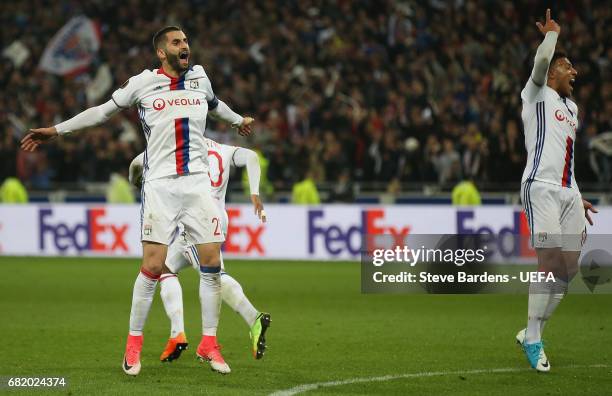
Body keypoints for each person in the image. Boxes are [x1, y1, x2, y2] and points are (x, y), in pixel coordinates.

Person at [20, 26, 254, 375]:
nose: (184, 46)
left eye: (187, 41)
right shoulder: (142, 83)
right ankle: (133, 344)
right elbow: (100, 112)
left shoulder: (201, 79)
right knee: (154, 266)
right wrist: (56, 131)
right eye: (177, 43)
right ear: (162, 53)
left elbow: (216, 106)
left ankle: (209, 343)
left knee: (211, 262)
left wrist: (239, 122)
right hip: (160, 185)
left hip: (198, 184)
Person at [128, 138, 271, 362]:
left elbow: (136, 164)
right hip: (218, 215)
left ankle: (254, 317)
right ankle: (177, 333)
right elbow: (252, 157)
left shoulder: (177, 146)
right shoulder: (224, 150)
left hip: (198, 217)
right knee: (166, 267)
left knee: (212, 275)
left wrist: (136, 181)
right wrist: (254, 193)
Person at [516, 9, 597, 372]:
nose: (574, 72)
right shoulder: (535, 94)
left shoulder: (572, 109)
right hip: (540, 189)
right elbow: (543, 58)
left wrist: (576, 193)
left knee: (568, 270)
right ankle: (534, 339)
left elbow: (566, 156)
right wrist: (552, 36)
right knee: (548, 264)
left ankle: (531, 331)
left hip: (567, 191)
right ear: (551, 74)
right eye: (567, 67)